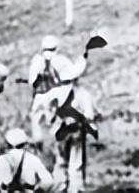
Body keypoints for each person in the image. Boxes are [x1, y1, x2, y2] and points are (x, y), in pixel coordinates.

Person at [43, 61, 97, 193]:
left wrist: (52, 121)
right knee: (76, 162)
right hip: (76, 131)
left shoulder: (53, 93)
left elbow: (47, 112)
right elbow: (89, 115)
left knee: (60, 161)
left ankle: (60, 187)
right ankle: (75, 189)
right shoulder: (83, 93)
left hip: (59, 131)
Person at [27, 35, 75, 145]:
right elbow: (73, 76)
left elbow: (31, 82)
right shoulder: (62, 60)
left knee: (37, 124)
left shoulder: (37, 61)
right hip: (58, 96)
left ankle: (40, 147)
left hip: (41, 97)